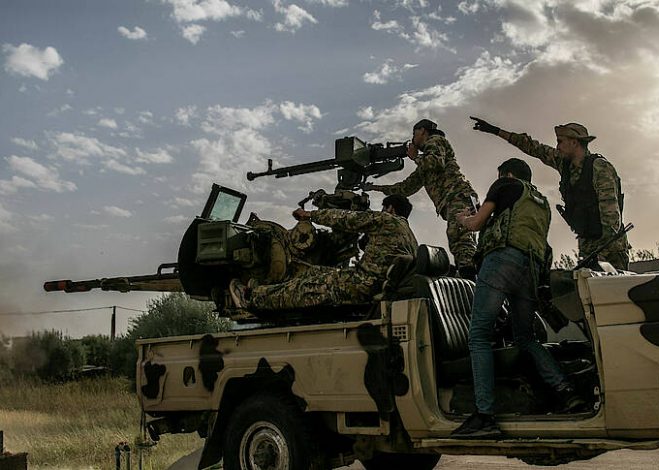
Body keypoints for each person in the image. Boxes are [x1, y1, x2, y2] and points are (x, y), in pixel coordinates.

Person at [451, 158, 585, 439]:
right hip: (531, 268)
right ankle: (567, 392)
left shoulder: (505, 184)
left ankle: (484, 415)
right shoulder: (540, 202)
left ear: (508, 174)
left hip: (502, 261)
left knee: (478, 336)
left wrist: (463, 218)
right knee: (526, 338)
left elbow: (476, 224)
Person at [470, 117, 630, 270]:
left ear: (574, 142)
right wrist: (496, 131)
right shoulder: (564, 165)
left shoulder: (599, 168)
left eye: (561, 142)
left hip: (610, 249)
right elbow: (534, 148)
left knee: (611, 287)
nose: (557, 147)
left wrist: (601, 253)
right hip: (588, 246)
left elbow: (610, 216)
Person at [229, 195, 418, 311]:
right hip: (369, 283)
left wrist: (310, 215)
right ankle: (267, 288)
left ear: (391, 209)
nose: (381, 211)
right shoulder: (409, 237)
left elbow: (346, 219)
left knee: (304, 289)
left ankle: (250, 296)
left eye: (384, 208)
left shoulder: (387, 220)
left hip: (362, 285)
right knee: (312, 272)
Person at [363, 119, 479, 279]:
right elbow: (405, 188)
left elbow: (435, 163)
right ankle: (469, 275)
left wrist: (415, 157)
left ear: (422, 131)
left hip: (458, 196)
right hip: (455, 199)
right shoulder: (424, 165)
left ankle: (470, 278)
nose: (412, 138)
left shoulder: (436, 140)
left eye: (414, 134)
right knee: (458, 238)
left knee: (460, 237)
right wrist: (375, 188)